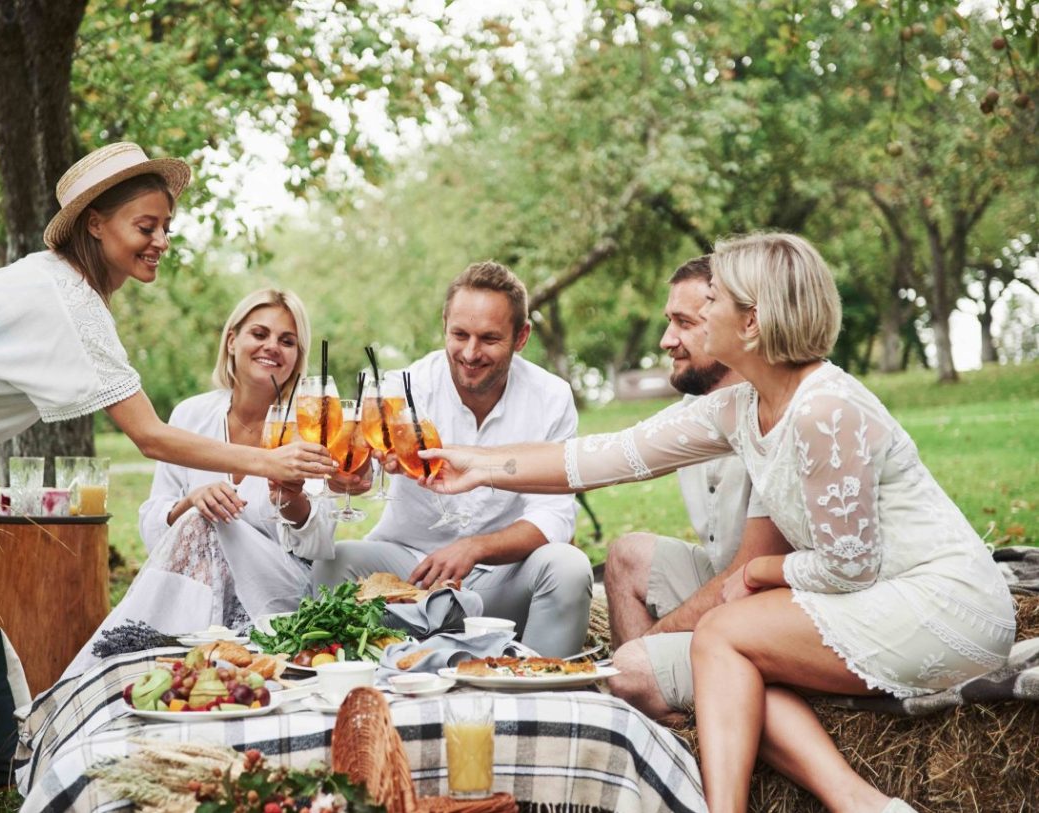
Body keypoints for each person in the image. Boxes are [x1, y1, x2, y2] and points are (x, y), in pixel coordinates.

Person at [418, 233, 1015, 813]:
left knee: (725, 633)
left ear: (751, 321)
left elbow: (850, 566)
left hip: (941, 604)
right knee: (735, 648)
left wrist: (759, 569)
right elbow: (612, 453)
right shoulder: (743, 404)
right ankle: (861, 805)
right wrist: (481, 465)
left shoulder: (825, 408)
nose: (700, 315)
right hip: (876, 594)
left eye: (714, 302)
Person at [0, 143, 333, 813]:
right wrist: (269, 461)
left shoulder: (56, 284)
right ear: (96, 222)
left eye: (165, 228)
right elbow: (148, 434)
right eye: (145, 226)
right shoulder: (71, 299)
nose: (160, 241)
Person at [312, 261, 593, 658]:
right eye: (459, 334)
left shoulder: (551, 397)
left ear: (521, 336)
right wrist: (351, 474)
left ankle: (537, 693)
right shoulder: (403, 387)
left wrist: (474, 548)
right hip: (409, 573)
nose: (471, 352)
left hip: (502, 577)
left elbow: (555, 516)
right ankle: (369, 683)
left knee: (569, 566)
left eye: (489, 338)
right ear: (444, 324)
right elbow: (360, 469)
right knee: (335, 563)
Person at [62, 288, 336, 678]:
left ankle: (145, 657)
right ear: (232, 340)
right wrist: (191, 501)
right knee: (200, 520)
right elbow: (153, 524)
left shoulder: (311, 423)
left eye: (287, 341)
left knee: (211, 523)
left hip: (277, 591)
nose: (272, 346)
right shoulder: (191, 414)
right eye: (259, 334)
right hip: (197, 580)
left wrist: (290, 498)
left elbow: (321, 542)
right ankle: (186, 654)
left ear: (297, 357)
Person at [605, 256, 790, 721]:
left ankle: (649, 685)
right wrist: (477, 465)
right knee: (627, 555)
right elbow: (602, 455)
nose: (666, 341)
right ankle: (654, 719)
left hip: (778, 609)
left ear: (737, 323)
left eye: (684, 323)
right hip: (728, 582)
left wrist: (653, 642)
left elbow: (748, 576)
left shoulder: (781, 410)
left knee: (630, 666)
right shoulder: (698, 409)